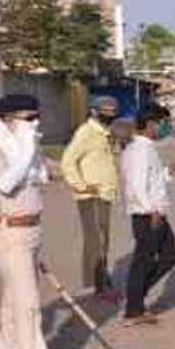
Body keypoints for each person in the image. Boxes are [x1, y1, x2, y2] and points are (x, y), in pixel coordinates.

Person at [0, 94, 73, 349]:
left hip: (30, 230)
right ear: (8, 118)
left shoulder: (26, 147)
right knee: (28, 301)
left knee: (13, 299)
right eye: (28, 118)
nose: (35, 123)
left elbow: (49, 170)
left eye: (36, 117)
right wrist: (28, 149)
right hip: (8, 232)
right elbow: (6, 182)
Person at [120, 103, 175, 326]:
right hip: (148, 214)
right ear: (151, 124)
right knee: (143, 260)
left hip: (155, 211)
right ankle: (133, 308)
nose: (166, 127)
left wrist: (171, 170)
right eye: (163, 123)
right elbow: (137, 185)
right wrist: (150, 210)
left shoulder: (146, 148)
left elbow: (153, 179)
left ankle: (136, 297)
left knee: (169, 256)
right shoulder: (139, 150)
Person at [61, 95, 122, 302]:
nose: (110, 115)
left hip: (105, 194)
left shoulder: (104, 133)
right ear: (94, 111)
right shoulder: (86, 133)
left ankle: (100, 282)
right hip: (91, 196)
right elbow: (68, 160)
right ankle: (101, 286)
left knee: (101, 239)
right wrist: (81, 186)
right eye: (106, 111)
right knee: (97, 240)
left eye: (113, 112)